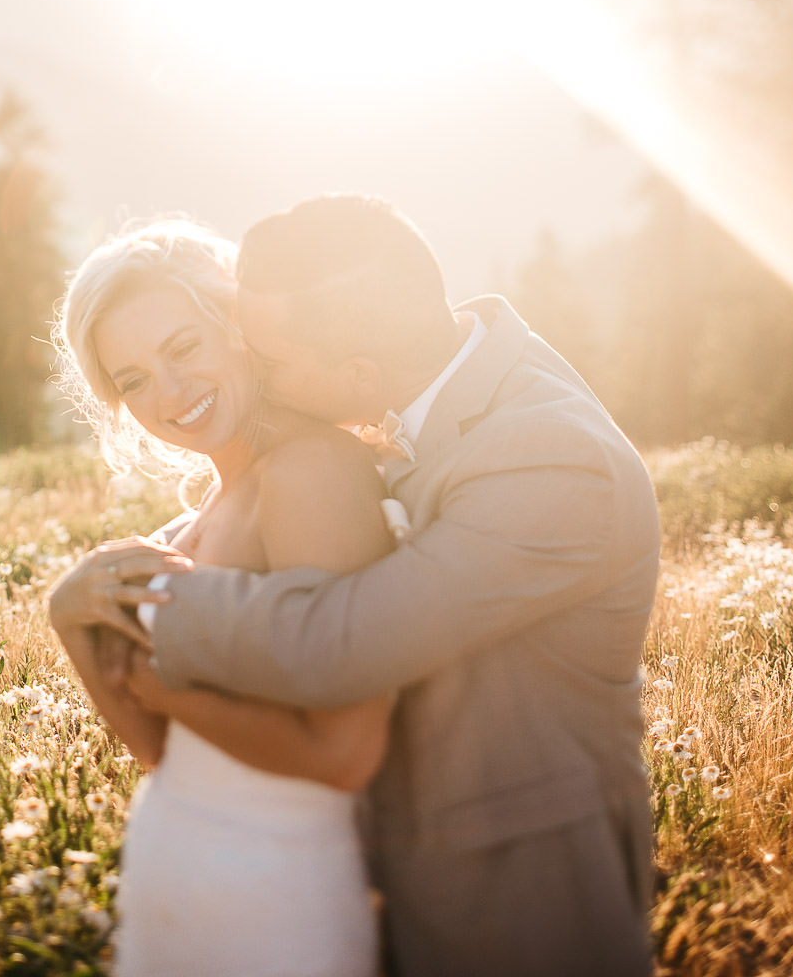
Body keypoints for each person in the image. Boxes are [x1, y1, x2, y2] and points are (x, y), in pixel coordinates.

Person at [50, 194, 661, 977]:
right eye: (133, 378)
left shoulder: (545, 451)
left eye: (265, 356)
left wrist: (131, 609)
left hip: (521, 877)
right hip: (347, 861)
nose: (255, 368)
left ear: (357, 370)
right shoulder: (403, 413)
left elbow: (339, 642)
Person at [45, 218, 403, 977]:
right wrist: (71, 622)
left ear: (238, 328)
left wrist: (151, 680)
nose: (168, 395)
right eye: (133, 379)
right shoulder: (191, 519)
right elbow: (160, 754)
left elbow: (345, 755)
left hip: (278, 896)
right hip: (175, 868)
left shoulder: (313, 474)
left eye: (183, 348)